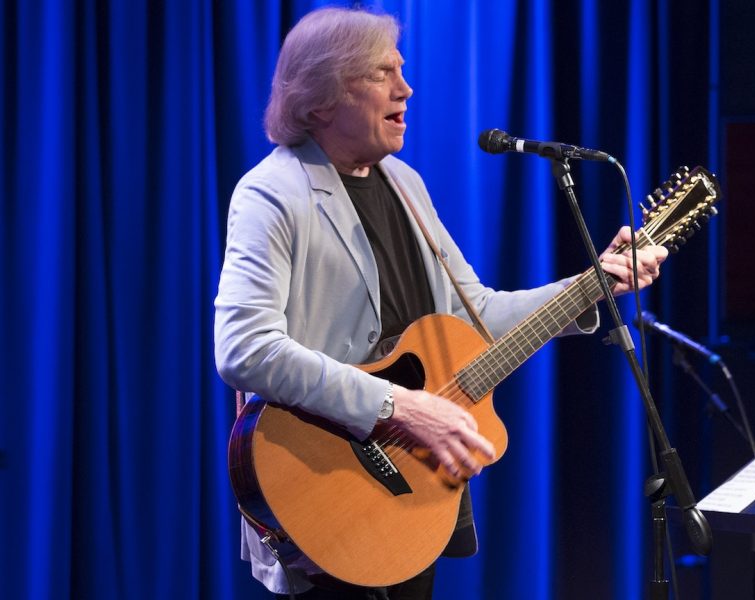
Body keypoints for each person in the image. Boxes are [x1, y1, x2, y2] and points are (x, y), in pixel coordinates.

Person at [214, 6, 667, 599]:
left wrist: (594, 283)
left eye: (401, 71)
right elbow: (245, 350)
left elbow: (474, 316)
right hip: (325, 488)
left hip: (412, 488)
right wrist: (398, 408)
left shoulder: (405, 183)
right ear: (320, 100)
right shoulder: (272, 193)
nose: (406, 88)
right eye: (381, 74)